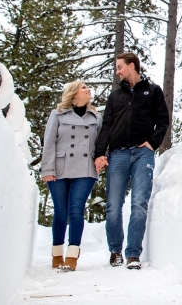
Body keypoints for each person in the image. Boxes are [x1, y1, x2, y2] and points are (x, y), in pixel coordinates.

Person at [94, 52, 169, 270]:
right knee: (113, 205)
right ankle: (115, 251)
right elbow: (106, 126)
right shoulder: (115, 96)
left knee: (139, 203)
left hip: (142, 154)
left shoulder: (152, 91)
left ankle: (133, 254)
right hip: (117, 154)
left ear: (132, 66)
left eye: (119, 67)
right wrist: (100, 153)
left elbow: (163, 121)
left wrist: (152, 142)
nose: (117, 71)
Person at [40, 81, 102, 272]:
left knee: (76, 211)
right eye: (84, 87)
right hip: (60, 167)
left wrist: (101, 158)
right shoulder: (57, 114)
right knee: (60, 212)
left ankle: (72, 257)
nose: (88, 89)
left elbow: (100, 143)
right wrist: (47, 169)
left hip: (85, 169)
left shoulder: (96, 118)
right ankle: (57, 254)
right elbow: (49, 142)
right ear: (74, 94)